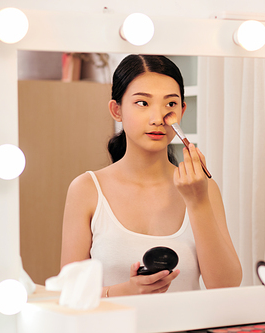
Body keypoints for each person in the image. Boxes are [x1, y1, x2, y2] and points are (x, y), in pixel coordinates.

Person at [60, 54, 242, 297]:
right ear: (117, 110)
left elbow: (226, 287)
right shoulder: (87, 189)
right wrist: (127, 290)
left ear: (182, 110)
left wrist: (198, 202)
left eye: (170, 104)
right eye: (143, 103)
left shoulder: (203, 188)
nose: (158, 118)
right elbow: (68, 290)